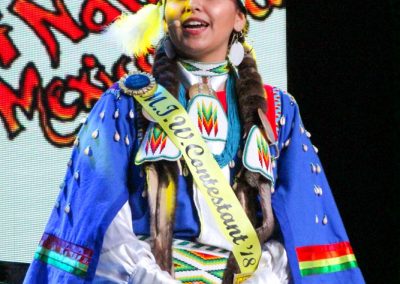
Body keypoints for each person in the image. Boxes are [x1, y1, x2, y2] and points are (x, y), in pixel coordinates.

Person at [24, 0, 365, 283]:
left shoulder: (279, 113)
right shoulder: (125, 103)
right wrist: (149, 277)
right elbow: (96, 221)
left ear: (240, 17)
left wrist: (262, 276)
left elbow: (305, 224)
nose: (192, 5)